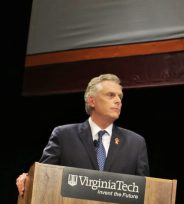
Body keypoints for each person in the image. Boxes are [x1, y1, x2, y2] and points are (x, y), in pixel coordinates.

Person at [15, 73, 150, 196]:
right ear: (92, 101)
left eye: (120, 96)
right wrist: (29, 179)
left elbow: (145, 191)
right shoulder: (64, 136)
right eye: (111, 95)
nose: (118, 101)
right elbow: (44, 177)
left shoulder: (136, 143)